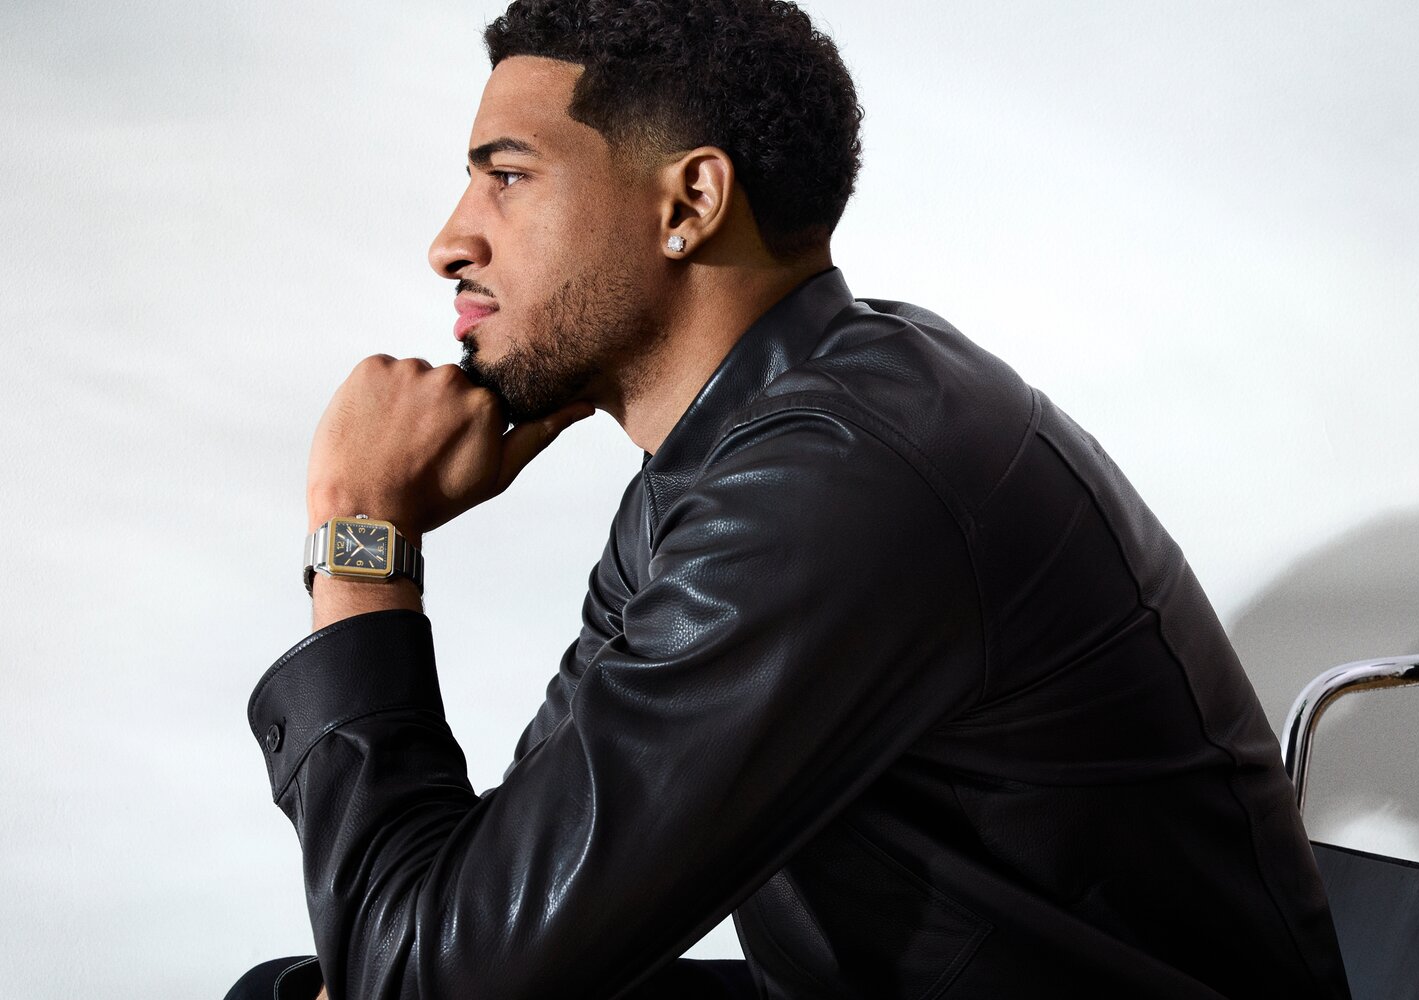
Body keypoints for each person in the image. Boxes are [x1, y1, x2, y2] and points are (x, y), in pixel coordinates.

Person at [228, 1, 1349, 997]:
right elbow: (500, 893)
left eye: (506, 175)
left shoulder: (833, 482)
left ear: (692, 200)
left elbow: (439, 973)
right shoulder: (747, 447)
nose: (449, 240)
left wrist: (359, 532)